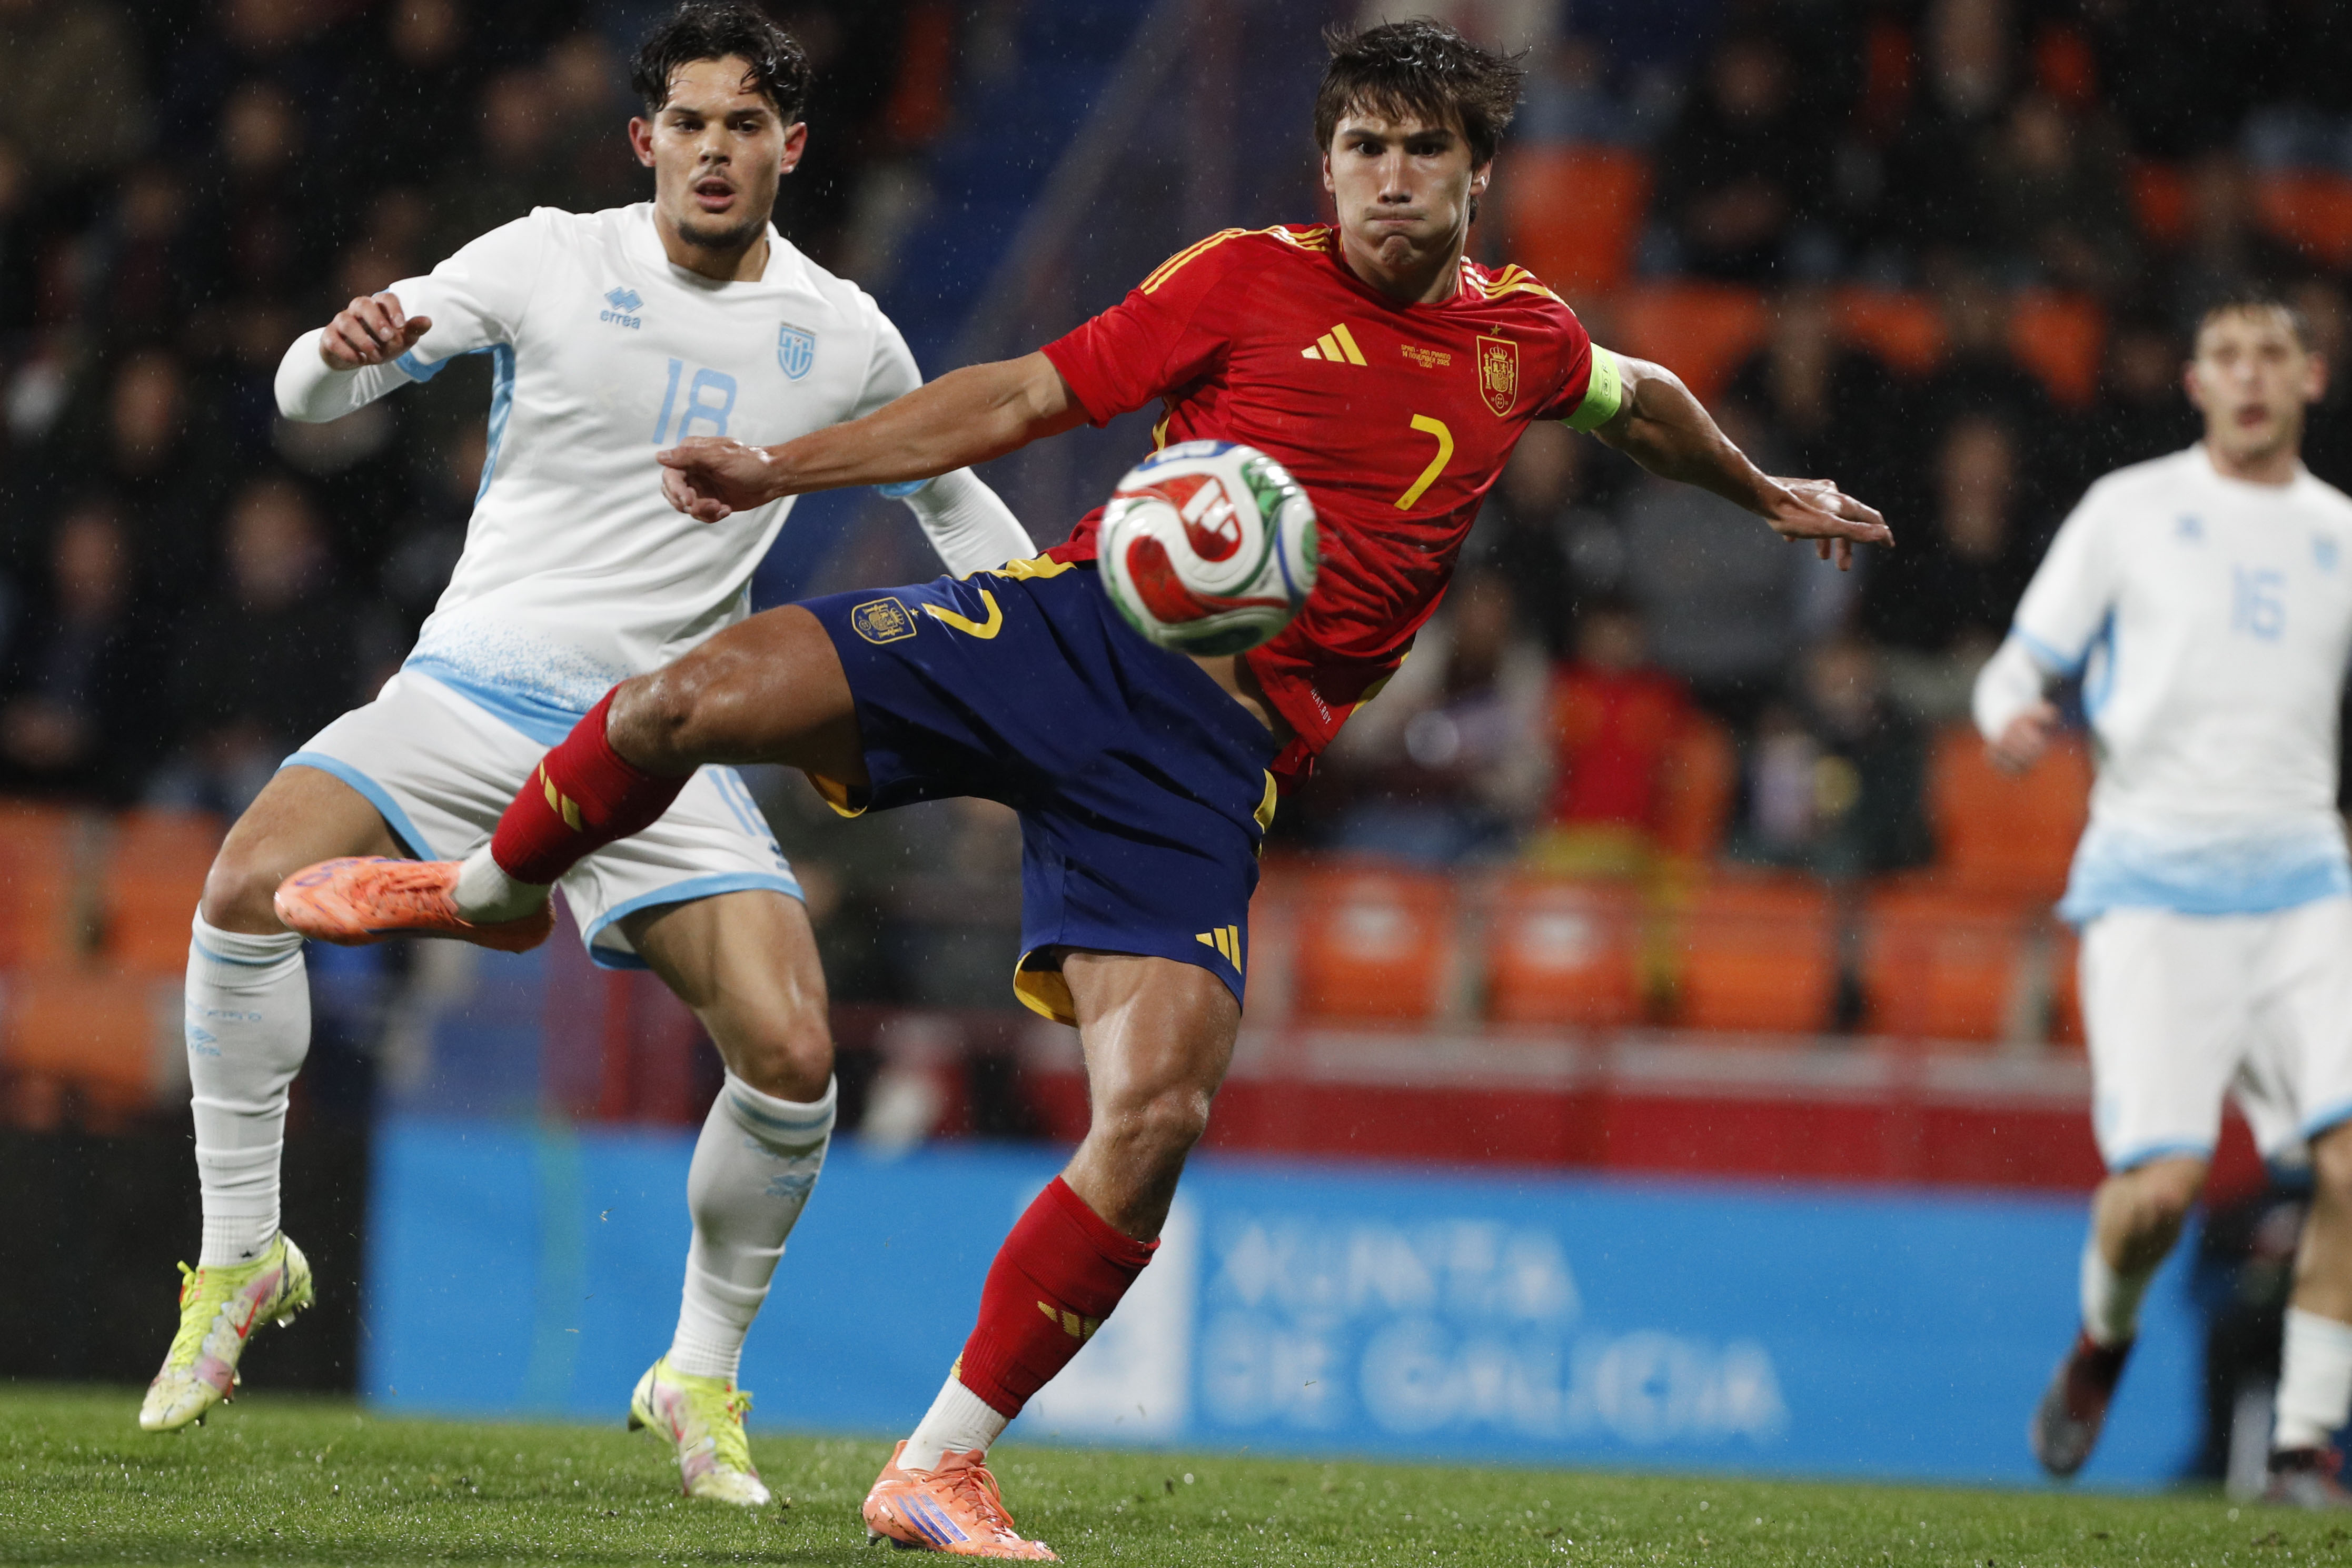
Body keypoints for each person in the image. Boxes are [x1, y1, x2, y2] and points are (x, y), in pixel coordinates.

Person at [278, 21, 1887, 1558]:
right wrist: (782, 466)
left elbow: (1640, 395)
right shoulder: (1243, 279)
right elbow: (1020, 397)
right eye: (1361, 148)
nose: (1388, 177)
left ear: (1477, 176)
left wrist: (1759, 490)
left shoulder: (1516, 339)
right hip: (1063, 633)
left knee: (1159, 1110)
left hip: (1207, 761)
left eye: (1423, 153)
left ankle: (939, 1464)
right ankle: (489, 893)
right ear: (1325, 164)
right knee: (684, 695)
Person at [138, 0, 1034, 1515]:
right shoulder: (544, 255)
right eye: (687, 121)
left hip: (664, 742)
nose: (712, 147)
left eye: (744, 124)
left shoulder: (843, 333)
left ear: (791, 148)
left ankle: (694, 1373)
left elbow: (963, 528)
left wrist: (1055, 645)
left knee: (795, 1052)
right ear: (645, 140)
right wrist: (329, 353)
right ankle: (241, 1259)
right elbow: (312, 400)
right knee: (244, 885)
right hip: (470, 694)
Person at [1978, 294, 2352, 1505]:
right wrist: (2006, 718)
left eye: (2272, 357)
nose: (2249, 378)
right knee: (2159, 1194)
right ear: (2193, 381)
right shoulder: (2127, 512)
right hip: (2151, 891)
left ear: (2311, 378)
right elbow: (2016, 665)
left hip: (2304, 885)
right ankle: (2103, 1341)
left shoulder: (2339, 534)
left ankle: (2301, 1445)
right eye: (2226, 357)